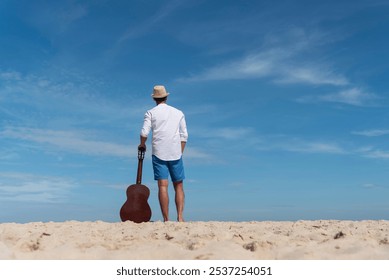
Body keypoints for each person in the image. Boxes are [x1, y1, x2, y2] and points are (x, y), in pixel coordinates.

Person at [138, 85, 188, 222]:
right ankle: (180, 217)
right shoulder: (178, 112)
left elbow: (144, 133)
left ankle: (166, 219)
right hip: (175, 152)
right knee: (178, 185)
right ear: (166, 97)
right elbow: (184, 136)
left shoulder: (150, 113)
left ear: (154, 98)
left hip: (159, 152)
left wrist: (142, 144)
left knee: (163, 186)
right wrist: (180, 151)